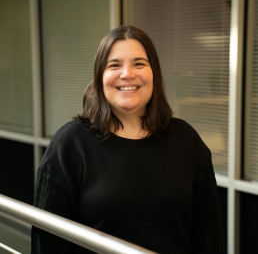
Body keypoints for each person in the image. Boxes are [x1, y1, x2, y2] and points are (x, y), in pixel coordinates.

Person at [31, 25, 224, 254]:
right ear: (100, 76)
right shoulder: (69, 144)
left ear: (154, 73)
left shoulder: (187, 140)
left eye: (139, 63)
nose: (127, 74)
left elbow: (209, 235)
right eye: (114, 65)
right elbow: (47, 243)